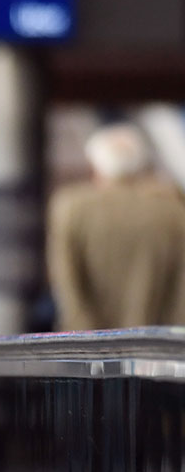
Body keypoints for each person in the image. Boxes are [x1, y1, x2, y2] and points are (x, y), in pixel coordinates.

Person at [47, 123, 185, 331]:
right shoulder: (173, 211)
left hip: (89, 347)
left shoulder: (71, 207)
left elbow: (67, 285)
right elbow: (180, 294)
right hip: (156, 348)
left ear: (96, 166)